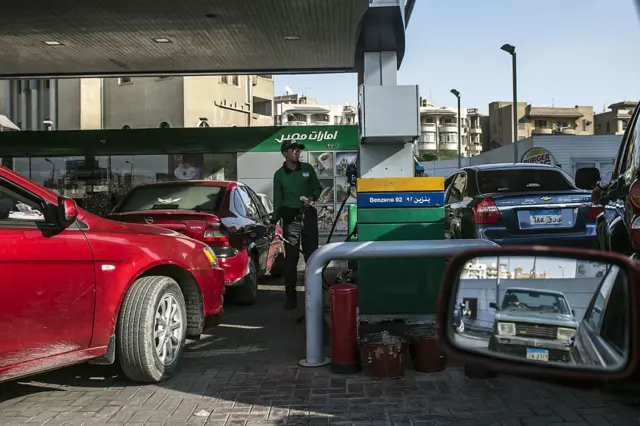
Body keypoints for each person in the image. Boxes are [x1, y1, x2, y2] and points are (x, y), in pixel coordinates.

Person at [269, 140, 322, 310]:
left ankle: (314, 296)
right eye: (294, 150)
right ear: (285, 153)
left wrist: (312, 199)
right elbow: (278, 200)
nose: (297, 153)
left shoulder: (307, 169)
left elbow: (317, 187)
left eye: (299, 150)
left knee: (312, 256)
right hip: (290, 219)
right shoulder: (279, 175)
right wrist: (273, 221)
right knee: (291, 259)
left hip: (308, 217)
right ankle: (290, 297)